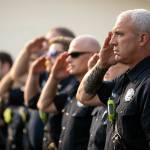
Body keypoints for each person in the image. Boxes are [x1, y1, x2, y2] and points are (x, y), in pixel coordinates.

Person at [76, 9, 150, 150]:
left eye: (119, 34)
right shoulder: (127, 79)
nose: (112, 42)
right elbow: (83, 96)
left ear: (142, 39)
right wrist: (102, 64)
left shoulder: (147, 82)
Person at [37, 35, 100, 150]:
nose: (68, 60)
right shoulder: (74, 88)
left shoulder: (101, 88)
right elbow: (44, 105)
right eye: (67, 55)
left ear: (92, 56)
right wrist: (54, 78)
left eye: (74, 55)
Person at [24, 36, 76, 150]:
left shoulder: (73, 81)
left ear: (67, 56)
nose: (48, 57)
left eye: (54, 53)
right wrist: (33, 74)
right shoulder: (53, 79)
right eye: (48, 53)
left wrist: (53, 77)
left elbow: (44, 105)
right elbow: (31, 102)